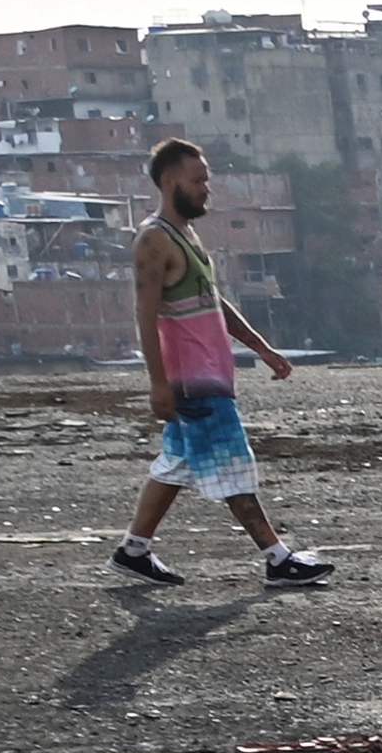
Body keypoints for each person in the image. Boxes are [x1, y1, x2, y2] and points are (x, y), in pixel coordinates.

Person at [112, 137, 324, 587]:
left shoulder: (185, 235)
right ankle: (277, 557)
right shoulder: (153, 240)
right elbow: (144, 316)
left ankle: (134, 549)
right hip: (194, 383)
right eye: (199, 180)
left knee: (175, 465)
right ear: (171, 182)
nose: (208, 188)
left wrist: (261, 348)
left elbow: (213, 302)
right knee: (233, 466)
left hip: (211, 375)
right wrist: (158, 384)